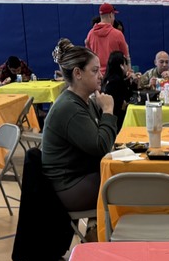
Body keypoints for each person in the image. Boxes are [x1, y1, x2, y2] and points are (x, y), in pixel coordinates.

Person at [42, 40, 117, 237]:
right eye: (94, 71)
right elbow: (101, 146)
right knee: (124, 185)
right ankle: (110, 241)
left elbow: (104, 141)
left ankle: (99, 234)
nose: (101, 76)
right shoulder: (70, 108)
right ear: (78, 73)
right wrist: (108, 111)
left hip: (80, 175)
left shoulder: (85, 102)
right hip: (67, 186)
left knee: (125, 178)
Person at [86, 3, 130, 77]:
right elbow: (125, 58)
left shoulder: (90, 34)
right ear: (110, 15)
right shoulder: (118, 34)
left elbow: (88, 56)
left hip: (97, 77)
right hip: (115, 77)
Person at [102, 51, 137, 130]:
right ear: (121, 66)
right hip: (117, 121)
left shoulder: (107, 79)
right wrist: (133, 82)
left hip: (107, 118)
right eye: (126, 64)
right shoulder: (117, 81)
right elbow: (129, 98)